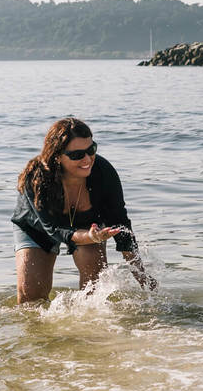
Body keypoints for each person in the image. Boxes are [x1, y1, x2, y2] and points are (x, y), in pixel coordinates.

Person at [11, 117, 153, 303]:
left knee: (93, 291)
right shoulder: (36, 177)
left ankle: (85, 329)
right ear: (57, 156)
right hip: (37, 227)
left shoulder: (103, 171)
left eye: (91, 149)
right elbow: (53, 228)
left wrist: (141, 274)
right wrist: (90, 237)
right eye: (77, 155)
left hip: (88, 226)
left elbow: (120, 223)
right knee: (31, 298)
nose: (87, 159)